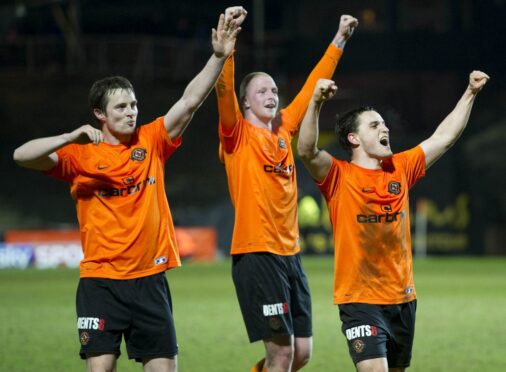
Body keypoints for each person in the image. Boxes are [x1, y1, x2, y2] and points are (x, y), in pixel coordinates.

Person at [12, 7, 246, 372]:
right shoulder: (79, 156)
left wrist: (219, 56)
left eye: (134, 104)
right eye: (121, 106)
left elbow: (189, 102)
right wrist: (67, 137)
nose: (131, 111)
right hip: (100, 284)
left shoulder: (151, 141)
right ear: (100, 114)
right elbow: (21, 156)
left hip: (149, 280)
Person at [297, 72, 490, 371]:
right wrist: (316, 103)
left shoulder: (400, 168)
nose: (384, 127)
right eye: (374, 125)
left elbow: (444, 138)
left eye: (384, 123)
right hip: (359, 298)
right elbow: (307, 150)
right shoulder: (338, 176)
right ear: (354, 138)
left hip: (403, 298)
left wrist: (470, 92)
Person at [215, 8, 359, 372]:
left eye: (275, 89)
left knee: (301, 354)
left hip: (290, 255)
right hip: (257, 255)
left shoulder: (282, 132)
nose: (271, 95)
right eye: (261, 90)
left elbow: (313, 87)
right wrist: (227, 50)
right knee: (280, 353)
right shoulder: (237, 136)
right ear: (246, 101)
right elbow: (222, 89)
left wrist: (339, 38)